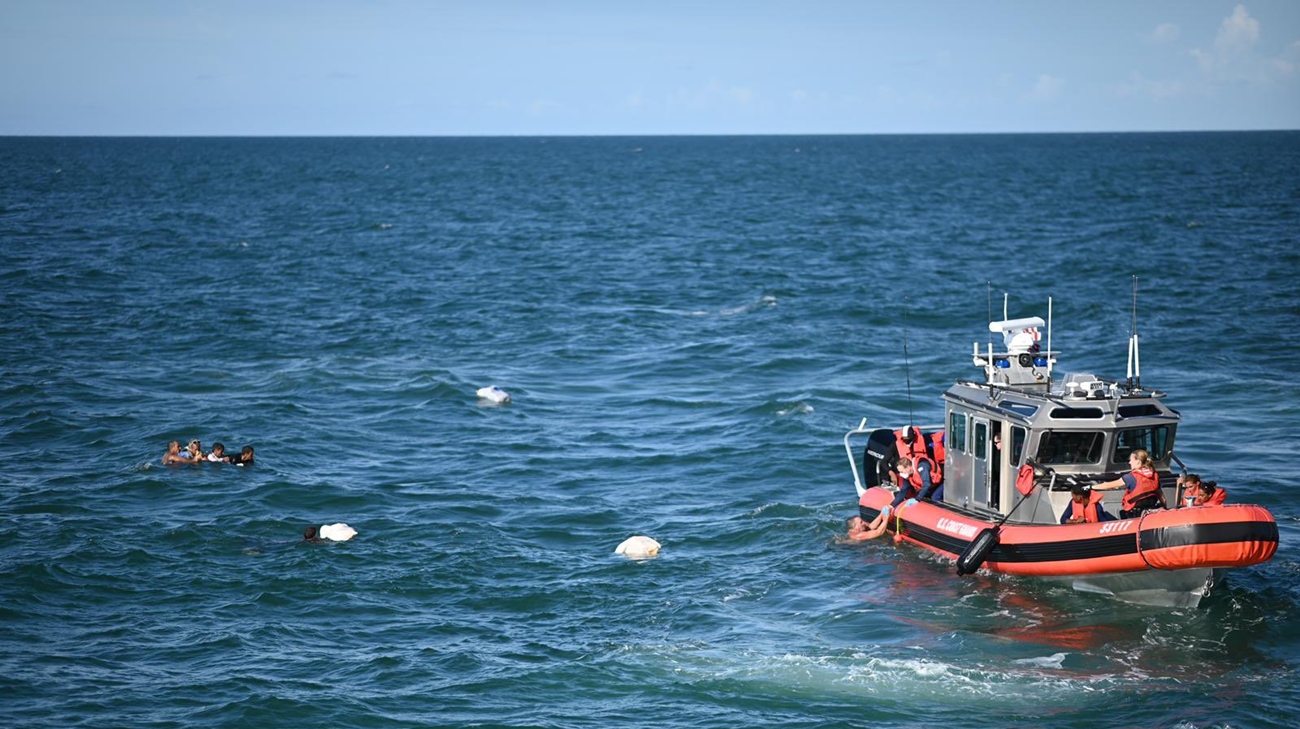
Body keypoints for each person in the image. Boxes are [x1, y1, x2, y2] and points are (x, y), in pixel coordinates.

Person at [1093, 449, 1164, 519]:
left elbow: (1109, 485)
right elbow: (1162, 498)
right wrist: (1165, 508)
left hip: (1135, 515)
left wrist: (1091, 487)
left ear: (1138, 462)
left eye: (1131, 460)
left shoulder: (1130, 477)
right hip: (1151, 512)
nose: (1129, 462)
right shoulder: (1154, 475)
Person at [883, 426, 942, 503]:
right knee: (905, 489)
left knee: (928, 489)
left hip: (918, 470)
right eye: (904, 439)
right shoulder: (895, 445)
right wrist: (891, 473)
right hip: (905, 472)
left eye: (908, 439)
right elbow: (883, 462)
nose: (906, 441)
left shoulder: (921, 442)